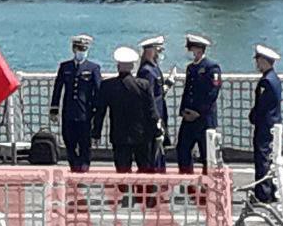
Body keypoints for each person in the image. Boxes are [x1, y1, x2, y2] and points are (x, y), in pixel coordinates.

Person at [92, 47, 161, 172]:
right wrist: (157, 131)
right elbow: (151, 111)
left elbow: (100, 112)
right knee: (145, 170)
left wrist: (96, 133)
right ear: (133, 67)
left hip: (119, 135)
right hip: (142, 135)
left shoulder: (107, 86)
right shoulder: (144, 85)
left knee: (122, 172)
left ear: (118, 66)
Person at [49, 34, 101, 172]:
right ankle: (74, 166)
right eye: (79, 48)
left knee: (85, 144)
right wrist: (54, 109)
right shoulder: (65, 67)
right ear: (73, 49)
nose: (81, 51)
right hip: (69, 111)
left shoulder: (93, 68)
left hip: (85, 112)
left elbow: (98, 91)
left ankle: (84, 168)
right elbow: (58, 88)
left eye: (84, 49)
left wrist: (97, 111)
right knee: (69, 141)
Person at [176, 33, 222, 173]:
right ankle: (187, 179)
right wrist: (184, 110)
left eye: (192, 49)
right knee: (182, 149)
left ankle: (207, 182)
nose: (190, 52)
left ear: (199, 50)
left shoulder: (211, 67)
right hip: (189, 117)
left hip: (204, 118)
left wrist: (199, 112)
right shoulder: (191, 68)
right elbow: (188, 91)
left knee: (207, 154)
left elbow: (213, 93)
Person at [247, 45, 282, 203]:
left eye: (258, 61)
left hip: (265, 125)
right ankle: (271, 190)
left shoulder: (266, 81)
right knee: (270, 158)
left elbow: (262, 106)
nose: (257, 64)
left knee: (262, 159)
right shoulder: (274, 78)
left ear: (263, 61)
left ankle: (263, 193)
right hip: (273, 123)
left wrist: (253, 116)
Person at [137, 35, 171, 171]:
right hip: (152, 117)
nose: (160, 53)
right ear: (150, 51)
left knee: (159, 151)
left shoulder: (154, 68)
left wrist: (168, 84)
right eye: (158, 50)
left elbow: (158, 92)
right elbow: (149, 96)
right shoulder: (146, 71)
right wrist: (155, 118)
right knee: (153, 152)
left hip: (159, 113)